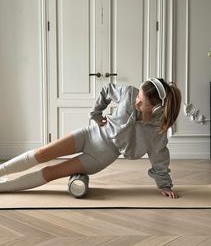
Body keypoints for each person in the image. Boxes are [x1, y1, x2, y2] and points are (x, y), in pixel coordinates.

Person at [0, 78, 181, 199]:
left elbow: (159, 157)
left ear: (156, 108)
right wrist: (96, 113)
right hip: (90, 134)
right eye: (138, 96)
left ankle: (3, 188)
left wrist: (164, 185)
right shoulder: (130, 93)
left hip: (99, 157)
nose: (137, 102)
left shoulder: (157, 130)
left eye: (142, 103)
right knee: (41, 153)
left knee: (50, 172)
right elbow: (107, 90)